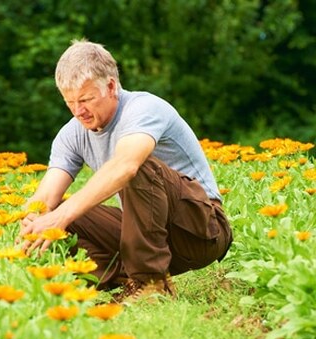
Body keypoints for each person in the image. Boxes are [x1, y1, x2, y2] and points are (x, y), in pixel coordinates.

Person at [18, 39, 233, 302]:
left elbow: (126, 166)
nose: (78, 111)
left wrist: (58, 216)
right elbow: (45, 197)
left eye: (86, 99)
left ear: (111, 87)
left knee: (136, 167)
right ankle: (110, 281)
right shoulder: (71, 134)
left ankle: (151, 284)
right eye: (70, 101)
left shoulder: (144, 108)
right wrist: (34, 218)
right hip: (151, 237)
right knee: (56, 213)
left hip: (201, 232)